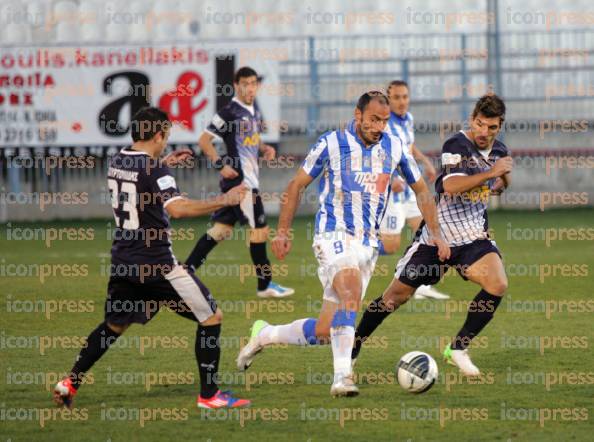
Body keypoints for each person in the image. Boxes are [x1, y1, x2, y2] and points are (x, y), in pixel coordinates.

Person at [236, 92, 449, 397]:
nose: (379, 127)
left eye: (385, 121)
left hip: (368, 244)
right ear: (358, 114)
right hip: (333, 234)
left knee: (326, 330)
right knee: (350, 293)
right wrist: (282, 232)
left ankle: (265, 334)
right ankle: (342, 377)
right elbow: (296, 185)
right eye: (374, 119)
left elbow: (421, 189)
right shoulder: (331, 143)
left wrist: (437, 234)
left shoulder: (394, 145)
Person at [53, 107, 250, 409]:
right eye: (166, 137)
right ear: (158, 134)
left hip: (123, 261)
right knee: (211, 317)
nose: (165, 143)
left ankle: (69, 383)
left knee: (114, 326)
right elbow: (178, 209)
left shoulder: (118, 160)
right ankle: (209, 396)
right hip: (158, 266)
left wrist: (164, 164)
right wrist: (225, 199)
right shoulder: (156, 170)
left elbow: (139, 179)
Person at [351, 94, 513, 377]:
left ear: (500, 126)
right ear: (472, 119)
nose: (484, 132)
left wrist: (502, 179)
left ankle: (458, 348)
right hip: (436, 237)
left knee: (497, 284)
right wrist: (491, 173)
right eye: (479, 124)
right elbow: (451, 186)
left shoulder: (499, 151)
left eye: (492, 127)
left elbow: (496, 183)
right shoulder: (456, 144)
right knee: (393, 299)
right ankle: (351, 351)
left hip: (473, 237)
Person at [186, 66, 294, 298]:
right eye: (245, 83)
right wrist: (219, 165)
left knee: (221, 230)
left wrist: (264, 148)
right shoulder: (229, 111)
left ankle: (186, 271)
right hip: (241, 184)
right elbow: (204, 141)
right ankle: (265, 285)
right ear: (236, 85)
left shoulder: (252, 108)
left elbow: (249, 140)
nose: (250, 88)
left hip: (247, 180)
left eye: (254, 83)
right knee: (261, 230)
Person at [380, 80, 449, 300]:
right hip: (394, 191)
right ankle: (357, 243)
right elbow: (378, 152)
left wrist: (426, 162)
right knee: (390, 246)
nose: (402, 101)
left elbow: (409, 147)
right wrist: (390, 178)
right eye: (397, 97)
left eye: (405, 97)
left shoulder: (408, 119)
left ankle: (418, 283)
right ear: (388, 99)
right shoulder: (383, 123)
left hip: (410, 187)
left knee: (426, 231)